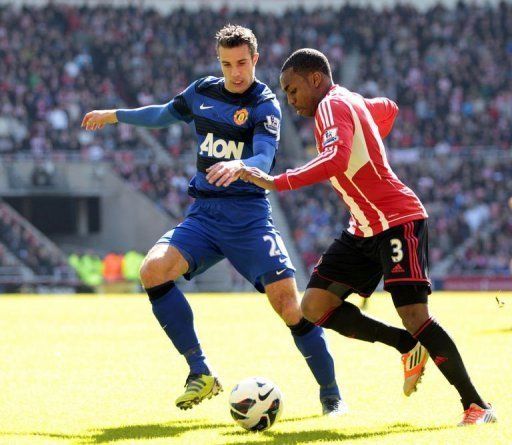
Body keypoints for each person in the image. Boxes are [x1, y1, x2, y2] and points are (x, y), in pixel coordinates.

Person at [81, 26, 345, 415]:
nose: (234, 72)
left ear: (255, 60)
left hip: (249, 218)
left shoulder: (264, 103)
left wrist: (241, 165)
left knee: (289, 305)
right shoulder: (202, 91)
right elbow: (162, 115)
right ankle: (200, 371)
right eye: (226, 64)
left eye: (241, 63)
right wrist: (115, 115)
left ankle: (331, 395)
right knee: (153, 270)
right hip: (204, 215)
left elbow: (264, 155)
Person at [240, 48, 497, 426]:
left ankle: (476, 406)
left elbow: (337, 160)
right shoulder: (349, 100)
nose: (289, 100)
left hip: (396, 219)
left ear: (315, 80)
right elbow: (389, 108)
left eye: (292, 90)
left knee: (414, 314)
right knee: (313, 306)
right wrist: (370, 142)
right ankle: (405, 345)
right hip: (362, 227)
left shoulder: (330, 106)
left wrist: (280, 181)